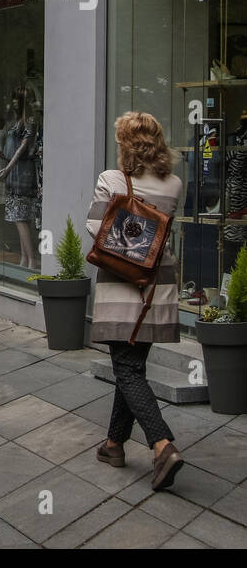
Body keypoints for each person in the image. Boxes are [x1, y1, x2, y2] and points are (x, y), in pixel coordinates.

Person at [88, 112, 186, 491]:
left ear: (125, 144)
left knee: (127, 369)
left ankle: (162, 445)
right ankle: (114, 445)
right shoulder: (174, 183)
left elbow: (95, 227)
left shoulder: (112, 181)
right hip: (157, 285)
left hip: (121, 282)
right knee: (132, 366)